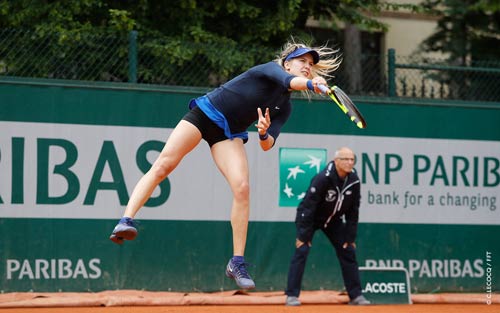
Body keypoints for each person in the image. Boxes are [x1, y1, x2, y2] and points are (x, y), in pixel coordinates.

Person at [109, 38, 342, 290]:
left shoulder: (284, 107)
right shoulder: (270, 70)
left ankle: (237, 262)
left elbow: (267, 144)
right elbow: (291, 82)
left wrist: (263, 132)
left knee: (242, 188)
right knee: (164, 165)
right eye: (302, 61)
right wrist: (312, 84)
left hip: (228, 133)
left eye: (310, 64)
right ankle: (127, 220)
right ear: (287, 64)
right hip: (205, 114)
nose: (307, 66)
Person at [285, 147, 370, 305]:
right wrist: (304, 235)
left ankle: (356, 295)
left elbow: (353, 211)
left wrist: (350, 237)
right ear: (337, 161)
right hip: (310, 218)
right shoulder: (323, 178)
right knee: (302, 250)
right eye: (346, 159)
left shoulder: (354, 180)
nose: (350, 162)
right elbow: (309, 207)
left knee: (348, 250)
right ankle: (292, 296)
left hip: (333, 221)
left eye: (352, 159)